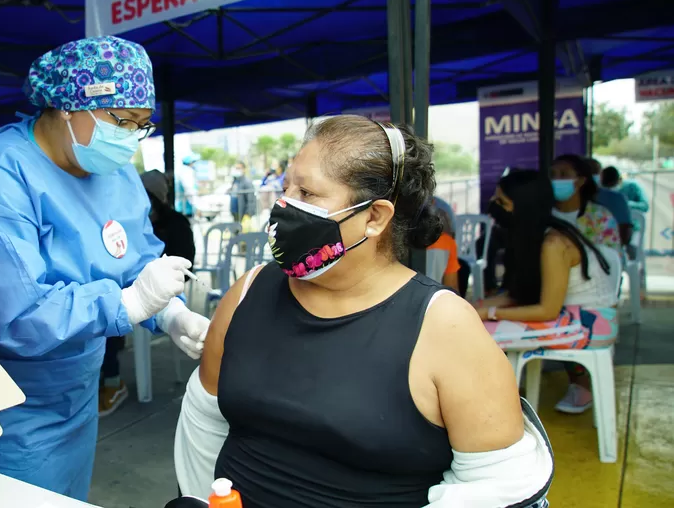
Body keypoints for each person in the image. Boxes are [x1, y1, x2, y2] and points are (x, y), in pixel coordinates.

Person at [176, 116, 552, 507]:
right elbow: (205, 419)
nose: (283, 205)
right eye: (287, 187)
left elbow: (496, 484)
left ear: (375, 217)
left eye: (307, 193)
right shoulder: (249, 291)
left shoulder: (444, 326)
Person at [0, 36, 209, 500]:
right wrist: (130, 303)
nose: (131, 138)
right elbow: (16, 315)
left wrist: (171, 312)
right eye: (122, 121)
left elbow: (137, 259)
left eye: (142, 125)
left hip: (76, 385)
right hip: (5, 401)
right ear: (66, 107)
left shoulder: (112, 171)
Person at [477, 169, 616, 415]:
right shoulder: (533, 237)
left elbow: (547, 310)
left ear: (523, 206)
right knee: (473, 317)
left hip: (593, 322)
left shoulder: (553, 244)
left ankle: (491, 407)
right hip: (569, 314)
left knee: (481, 330)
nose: (495, 207)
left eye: (502, 202)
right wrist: (477, 307)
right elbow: (520, 295)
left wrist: (490, 312)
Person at [98, 170, 199, 417]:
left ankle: (111, 381)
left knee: (110, 316)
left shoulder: (174, 225)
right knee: (108, 312)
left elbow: (166, 263)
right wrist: (131, 299)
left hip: (149, 294)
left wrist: (172, 311)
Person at [550, 154, 621, 252]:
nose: (556, 179)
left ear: (580, 181)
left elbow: (613, 259)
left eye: (563, 174)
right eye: (552, 175)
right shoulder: (541, 215)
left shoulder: (600, 217)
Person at [589, 159, 633, 245]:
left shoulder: (616, 198)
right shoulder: (617, 198)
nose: (592, 175)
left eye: (595, 172)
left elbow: (624, 236)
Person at [176, 154, 199, 219]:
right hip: (185, 207)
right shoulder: (187, 172)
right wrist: (196, 204)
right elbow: (189, 189)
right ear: (190, 162)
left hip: (185, 206)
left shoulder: (183, 170)